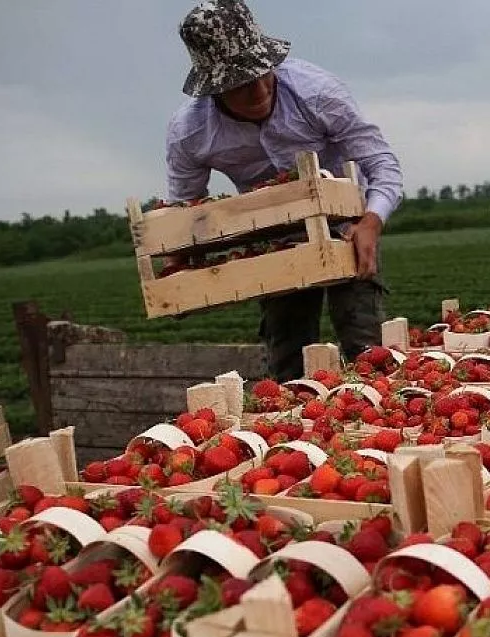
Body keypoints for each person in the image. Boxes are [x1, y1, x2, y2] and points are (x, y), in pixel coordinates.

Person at [165, 0, 403, 380]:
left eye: (263, 72)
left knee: (366, 346)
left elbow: (382, 165)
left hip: (347, 225)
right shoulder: (191, 132)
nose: (259, 89)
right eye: (240, 84)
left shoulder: (317, 93)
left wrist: (372, 222)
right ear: (213, 88)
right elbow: (184, 211)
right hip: (275, 242)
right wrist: (180, 265)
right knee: (288, 356)